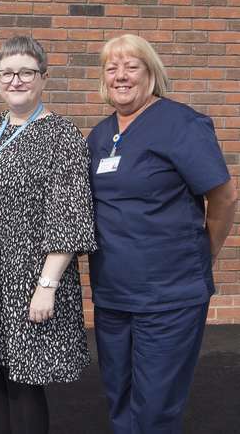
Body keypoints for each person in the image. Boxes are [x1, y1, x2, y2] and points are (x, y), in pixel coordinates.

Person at [0, 35, 97, 434]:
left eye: (26, 72)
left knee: (25, 382)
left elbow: (70, 215)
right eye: (7, 73)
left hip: (30, 277)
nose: (16, 81)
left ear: (43, 78)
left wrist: (47, 284)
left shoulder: (62, 136)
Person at [87, 34, 237, 434]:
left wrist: (206, 252)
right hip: (114, 295)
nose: (120, 76)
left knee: (155, 409)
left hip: (169, 295)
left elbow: (222, 196)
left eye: (131, 66)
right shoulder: (100, 136)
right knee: (119, 399)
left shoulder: (180, 124)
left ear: (151, 73)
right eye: (111, 68)